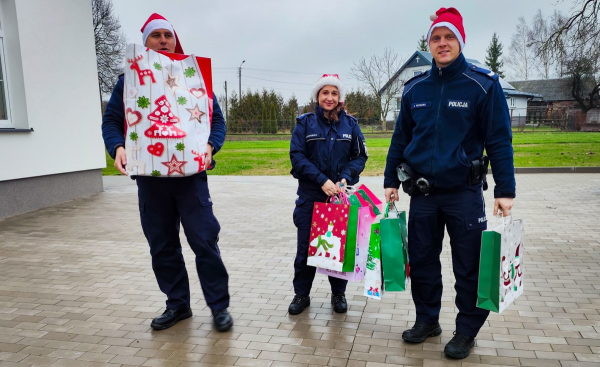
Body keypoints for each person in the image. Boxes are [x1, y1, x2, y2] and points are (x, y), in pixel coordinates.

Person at [383, 8, 515, 359]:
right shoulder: (416, 89)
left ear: (460, 41)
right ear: (430, 44)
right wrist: (389, 180)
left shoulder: (482, 84)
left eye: (449, 37)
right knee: (423, 261)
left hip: (464, 194)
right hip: (423, 195)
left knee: (468, 266)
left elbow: (499, 140)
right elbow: (400, 139)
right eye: (436, 38)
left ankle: (467, 331)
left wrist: (505, 190)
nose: (442, 44)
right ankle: (427, 320)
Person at [101, 13, 233, 332]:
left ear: (175, 41)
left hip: (191, 180)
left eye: (167, 35)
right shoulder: (129, 82)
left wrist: (211, 146)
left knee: (204, 240)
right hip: (151, 180)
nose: (162, 40)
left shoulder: (193, 77)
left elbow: (216, 122)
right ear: (144, 42)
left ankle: (219, 307)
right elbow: (112, 122)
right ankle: (178, 305)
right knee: (162, 245)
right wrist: (118, 147)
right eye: (155, 35)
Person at [289, 74, 368, 315]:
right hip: (310, 197)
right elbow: (297, 157)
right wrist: (321, 180)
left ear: (340, 97)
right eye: (325, 93)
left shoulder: (351, 125)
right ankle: (301, 295)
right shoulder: (304, 123)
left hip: (338, 198)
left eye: (334, 93)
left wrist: (345, 177)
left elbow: (360, 157)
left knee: (339, 249)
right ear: (317, 96)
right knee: (305, 251)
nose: (330, 97)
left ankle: (338, 294)